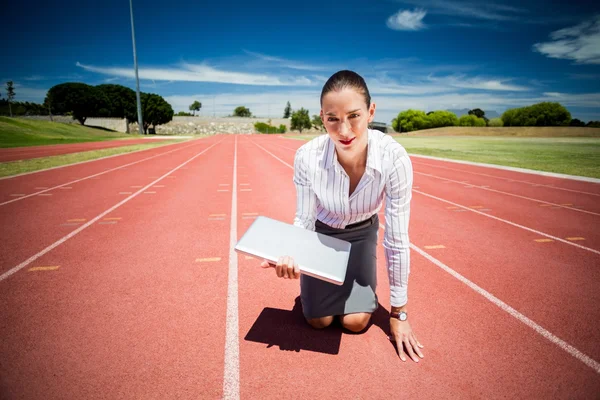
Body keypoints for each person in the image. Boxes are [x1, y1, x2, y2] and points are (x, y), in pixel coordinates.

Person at [260, 70, 424, 363]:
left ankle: (351, 283)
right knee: (318, 322)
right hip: (322, 233)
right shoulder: (306, 157)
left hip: (363, 233)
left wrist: (399, 312)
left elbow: (397, 239)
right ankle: (317, 290)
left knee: (356, 323)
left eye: (354, 116)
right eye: (333, 118)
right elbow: (305, 220)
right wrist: (293, 254)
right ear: (322, 117)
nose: (344, 130)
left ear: (371, 112)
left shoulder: (394, 159)